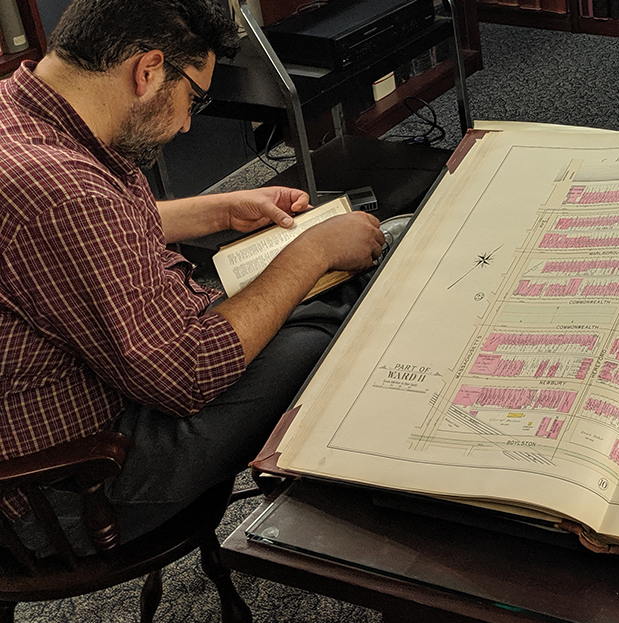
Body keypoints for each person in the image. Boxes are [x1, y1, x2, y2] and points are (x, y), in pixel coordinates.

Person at [0, 0, 384, 553]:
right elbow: (188, 374)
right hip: (70, 483)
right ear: (148, 69)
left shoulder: (27, 112)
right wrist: (313, 252)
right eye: (193, 99)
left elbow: (85, 238)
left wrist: (218, 210)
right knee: (329, 325)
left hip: (69, 418)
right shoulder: (62, 193)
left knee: (313, 298)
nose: (185, 122)